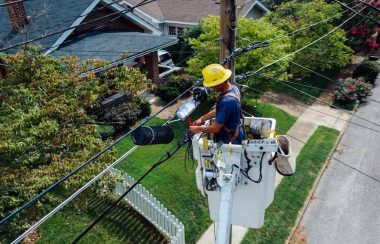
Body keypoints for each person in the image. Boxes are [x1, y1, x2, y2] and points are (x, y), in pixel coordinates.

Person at [189, 64, 243, 144]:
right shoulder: (233, 89)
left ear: (219, 83)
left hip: (229, 140)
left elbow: (216, 128)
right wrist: (202, 119)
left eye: (212, 85)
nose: (211, 87)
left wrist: (199, 129)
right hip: (235, 132)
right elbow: (219, 110)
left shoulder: (227, 102)